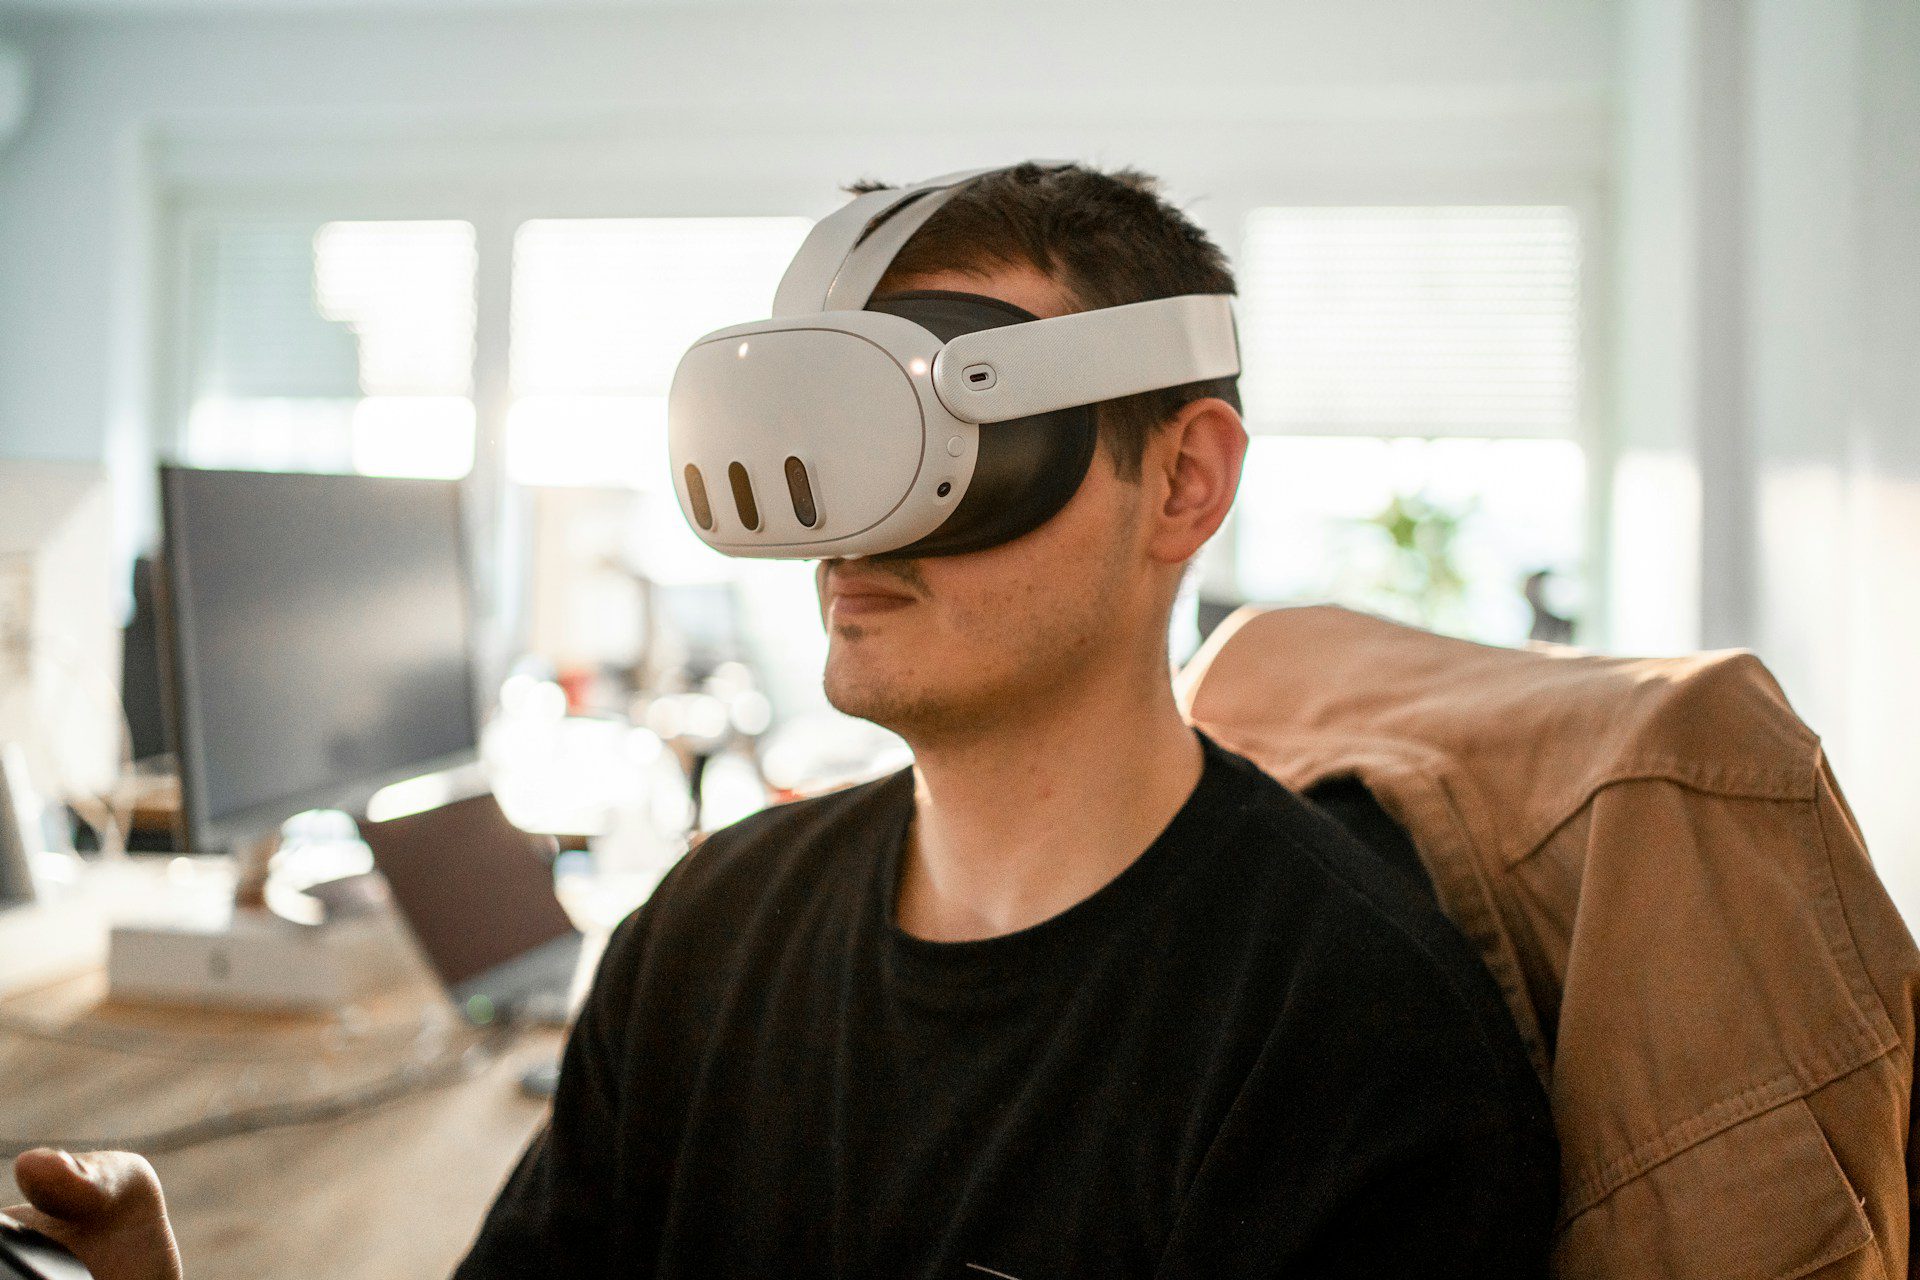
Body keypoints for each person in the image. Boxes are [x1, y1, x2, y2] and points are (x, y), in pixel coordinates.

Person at [6, 163, 1557, 1279]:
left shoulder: (1349, 1039)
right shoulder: (707, 931)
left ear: (1186, 481)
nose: (846, 535)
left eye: (939, 448)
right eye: (820, 449)